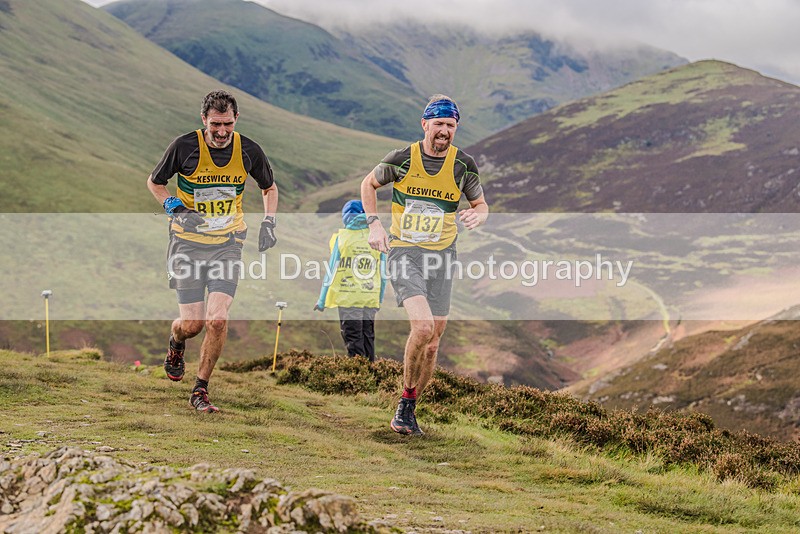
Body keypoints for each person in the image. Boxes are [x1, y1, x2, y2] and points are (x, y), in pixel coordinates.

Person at [361, 94, 489, 435]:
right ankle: (403, 401)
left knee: (434, 342)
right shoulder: (403, 158)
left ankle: (411, 406)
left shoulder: (463, 165)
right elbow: (368, 184)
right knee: (422, 328)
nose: (444, 131)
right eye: (439, 124)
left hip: (443, 257)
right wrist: (374, 224)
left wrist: (477, 214)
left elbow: (481, 203)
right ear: (425, 124)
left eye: (450, 125)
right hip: (405, 252)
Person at [146, 90, 279, 413]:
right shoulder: (184, 147)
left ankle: (200, 389)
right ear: (204, 120)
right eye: (216, 124)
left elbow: (268, 187)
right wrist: (175, 207)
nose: (222, 132)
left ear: (236, 121)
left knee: (217, 320)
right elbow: (155, 182)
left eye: (228, 125)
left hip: (227, 245)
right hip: (187, 245)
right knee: (192, 325)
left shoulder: (248, 150)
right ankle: (176, 342)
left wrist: (269, 223)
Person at [314, 200, 386, 362]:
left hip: (348, 296)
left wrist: (321, 300)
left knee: (353, 338)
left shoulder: (341, 238)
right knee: (368, 336)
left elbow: (331, 271)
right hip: (369, 297)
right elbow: (383, 274)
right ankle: (372, 375)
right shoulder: (376, 237)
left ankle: (359, 377)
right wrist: (378, 299)